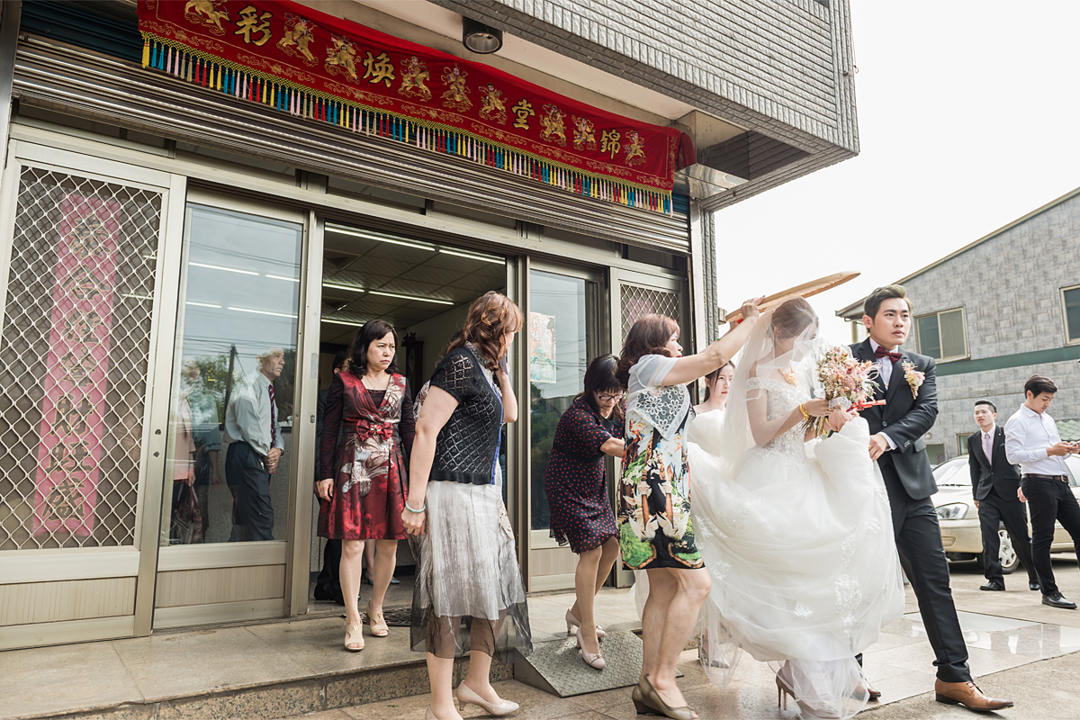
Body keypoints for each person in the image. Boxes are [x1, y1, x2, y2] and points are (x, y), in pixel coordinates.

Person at [690, 298, 905, 719]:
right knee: (787, 585)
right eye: (800, 338)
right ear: (778, 333)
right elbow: (762, 434)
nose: (806, 348)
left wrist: (827, 421)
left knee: (814, 584)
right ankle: (805, 683)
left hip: (800, 473)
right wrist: (803, 411)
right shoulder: (754, 374)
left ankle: (796, 673)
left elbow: (800, 436)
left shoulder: (797, 370)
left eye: (810, 340)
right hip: (768, 478)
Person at [851, 285, 1012, 712]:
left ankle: (954, 676)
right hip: (857, 487)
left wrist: (887, 437)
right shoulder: (843, 359)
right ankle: (848, 673)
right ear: (868, 320)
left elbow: (927, 412)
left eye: (905, 314)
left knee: (934, 582)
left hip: (914, 487)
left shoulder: (922, 364)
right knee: (856, 583)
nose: (900, 321)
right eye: (890, 314)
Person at [616, 300, 762, 720]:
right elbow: (716, 357)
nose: (680, 345)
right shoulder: (647, 367)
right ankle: (662, 680)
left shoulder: (653, 375)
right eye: (673, 338)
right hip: (655, 490)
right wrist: (750, 322)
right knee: (697, 585)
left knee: (664, 588)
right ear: (653, 345)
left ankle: (648, 684)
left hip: (655, 487)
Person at [402, 292, 531, 720]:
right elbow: (425, 429)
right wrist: (415, 503)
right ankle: (440, 704)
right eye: (512, 330)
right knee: (449, 598)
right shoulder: (458, 363)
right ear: (498, 327)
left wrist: (503, 371)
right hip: (451, 492)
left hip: (484, 493)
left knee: (495, 591)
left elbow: (510, 414)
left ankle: (477, 682)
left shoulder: (486, 367)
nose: (515, 338)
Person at [317, 321, 415, 651]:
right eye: (380, 346)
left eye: (391, 347)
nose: (387, 353)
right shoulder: (343, 382)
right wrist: (324, 473)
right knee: (353, 546)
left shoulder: (401, 384)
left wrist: (417, 479)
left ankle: (376, 608)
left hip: (391, 471)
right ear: (364, 347)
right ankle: (352, 618)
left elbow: (410, 433)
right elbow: (329, 431)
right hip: (351, 469)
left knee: (389, 545)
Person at [543, 354, 626, 670]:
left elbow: (633, 426)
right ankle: (586, 632)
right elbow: (610, 446)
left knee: (612, 546)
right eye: (604, 393)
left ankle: (577, 613)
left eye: (616, 392)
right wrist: (649, 449)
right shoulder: (578, 415)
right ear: (591, 389)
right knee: (590, 551)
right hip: (566, 485)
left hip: (594, 487)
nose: (610, 400)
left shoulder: (617, 407)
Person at [1005, 375, 1080, 610]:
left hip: (1060, 482)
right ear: (1030, 395)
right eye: (1044, 399)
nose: (1047, 404)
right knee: (1043, 538)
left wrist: (1068, 450)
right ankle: (1050, 592)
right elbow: (1013, 456)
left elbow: (1054, 452)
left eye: (1051, 399)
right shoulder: (1017, 421)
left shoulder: (1047, 419)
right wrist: (1049, 450)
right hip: (1038, 484)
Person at [968, 399, 1039, 592]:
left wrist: (1024, 485)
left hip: (1011, 493)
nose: (980, 416)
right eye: (977, 413)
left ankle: (1035, 576)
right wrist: (976, 494)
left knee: (1020, 537)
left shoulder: (1008, 435)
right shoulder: (973, 439)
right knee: (989, 537)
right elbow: (975, 468)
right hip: (986, 495)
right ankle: (995, 580)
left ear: (994, 415)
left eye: (984, 412)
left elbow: (1021, 460)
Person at [223, 347, 285, 542]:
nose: (282, 361)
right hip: (247, 453)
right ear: (261, 359)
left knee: (246, 519)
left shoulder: (268, 390)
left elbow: (273, 426)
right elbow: (250, 425)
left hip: (260, 453)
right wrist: (268, 454)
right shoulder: (248, 385)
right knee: (260, 517)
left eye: (283, 357)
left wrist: (278, 449)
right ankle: (263, 569)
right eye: (277, 356)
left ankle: (237, 567)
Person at [313, 350, 348, 605]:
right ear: (337, 371)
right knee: (338, 531)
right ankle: (335, 586)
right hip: (332, 470)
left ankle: (326, 583)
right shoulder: (324, 397)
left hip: (350, 470)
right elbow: (323, 436)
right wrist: (323, 474)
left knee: (340, 532)